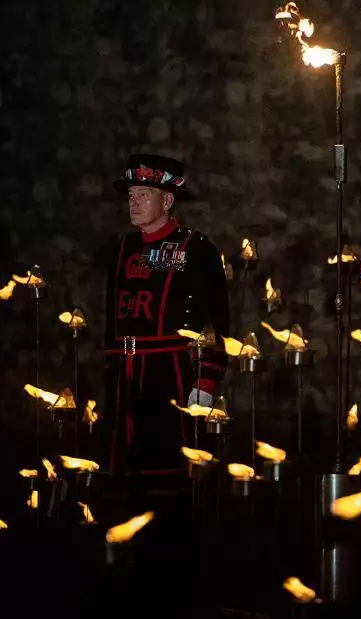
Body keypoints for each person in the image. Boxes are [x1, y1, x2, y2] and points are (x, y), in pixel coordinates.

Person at [103, 153, 230, 484]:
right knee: (122, 470)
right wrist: (109, 366)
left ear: (168, 199)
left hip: (169, 373)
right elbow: (110, 317)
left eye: (144, 194)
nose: (134, 202)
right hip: (124, 377)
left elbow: (215, 320)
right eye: (131, 195)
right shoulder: (123, 249)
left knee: (168, 465)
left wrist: (206, 381)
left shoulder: (195, 249)